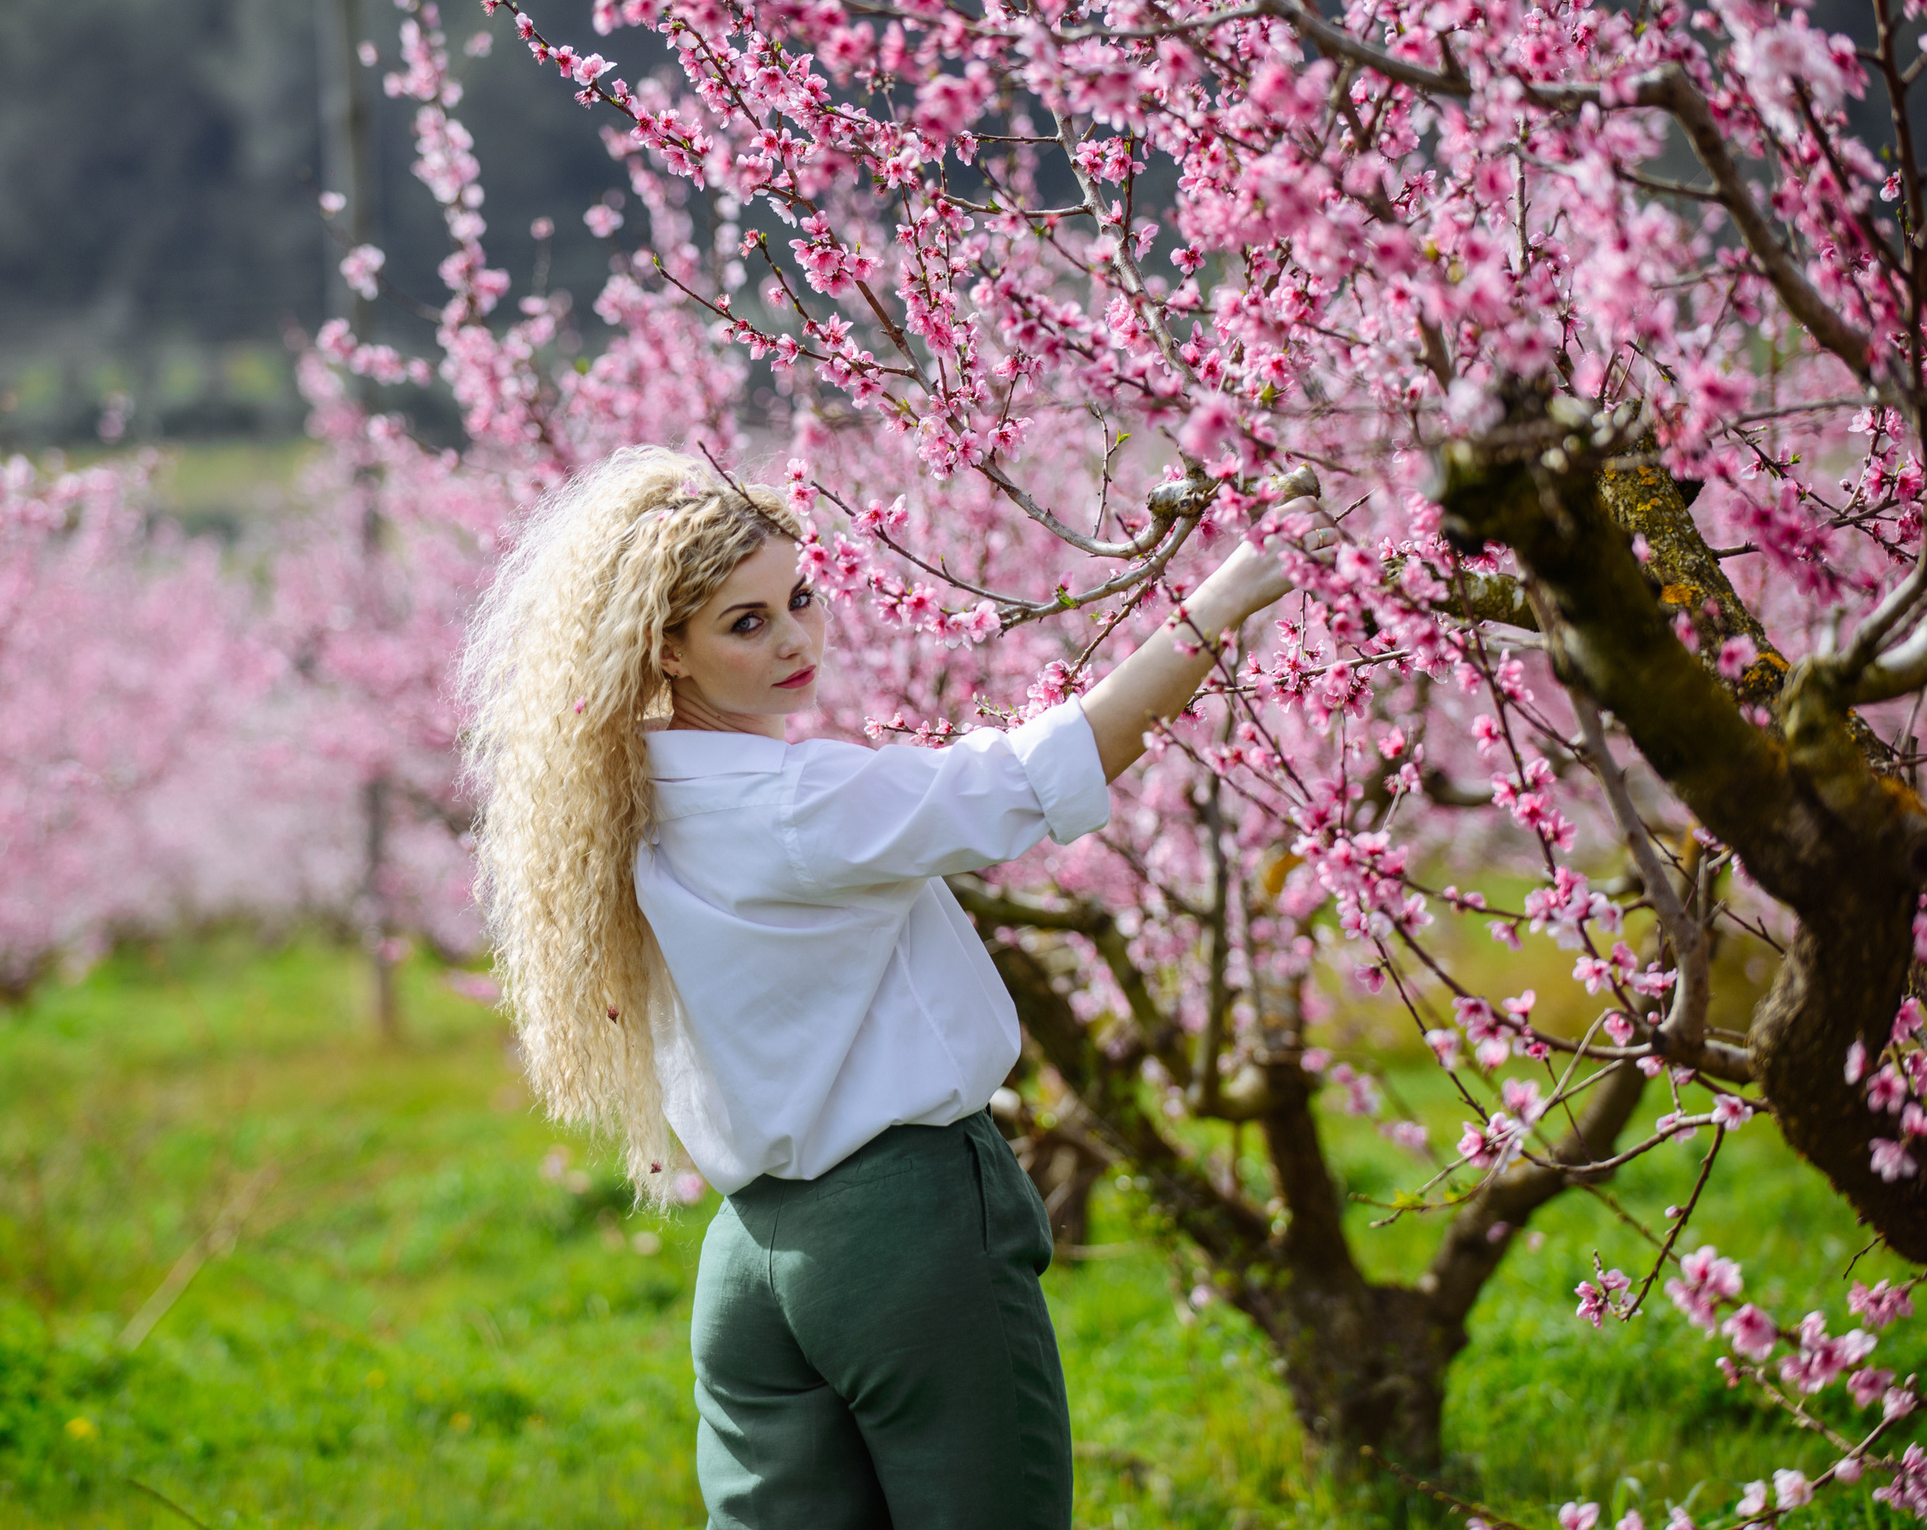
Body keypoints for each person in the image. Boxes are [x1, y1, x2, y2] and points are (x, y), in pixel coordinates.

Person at [458, 446, 1331, 1530]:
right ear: (666, 650)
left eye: (800, 598)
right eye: (745, 622)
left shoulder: (621, 804)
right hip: (901, 1234)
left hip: (749, 1264)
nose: (794, 639)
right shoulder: (792, 802)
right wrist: (1237, 586)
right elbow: (1044, 770)